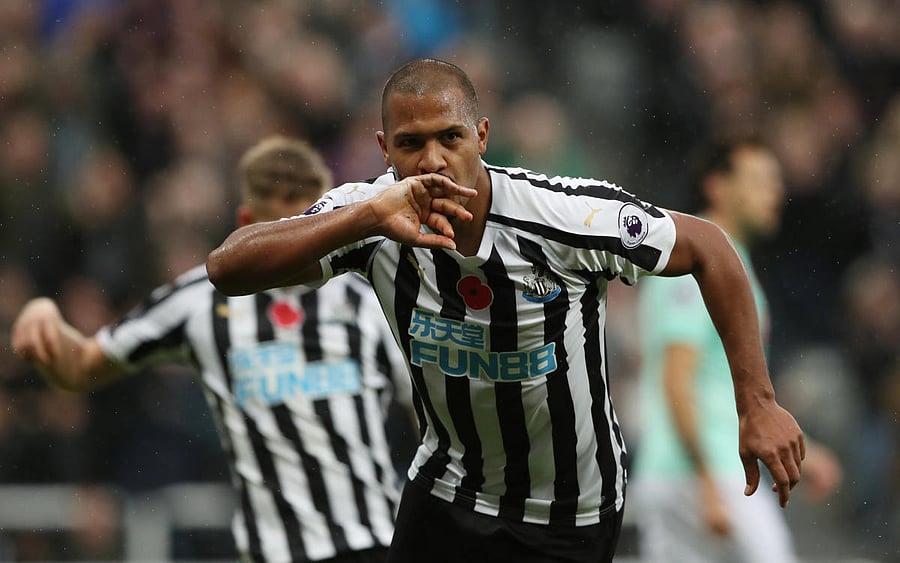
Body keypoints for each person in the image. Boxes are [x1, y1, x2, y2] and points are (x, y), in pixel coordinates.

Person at [205, 59, 806, 563]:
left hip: (570, 506)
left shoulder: (562, 218)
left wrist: (756, 401)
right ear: (384, 148)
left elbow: (710, 248)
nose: (433, 161)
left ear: (483, 137)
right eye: (411, 144)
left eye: (450, 137)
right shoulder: (368, 216)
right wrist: (364, 217)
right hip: (450, 488)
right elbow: (228, 268)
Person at [11, 136, 413, 563]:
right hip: (273, 553)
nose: (299, 246)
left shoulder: (370, 303)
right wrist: (43, 317)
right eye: (282, 229)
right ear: (246, 223)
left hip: (374, 547)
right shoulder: (198, 302)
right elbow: (81, 368)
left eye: (311, 226)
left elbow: (430, 421)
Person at [630, 137, 843, 563]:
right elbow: (676, 379)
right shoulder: (691, 264)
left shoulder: (729, 261)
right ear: (717, 186)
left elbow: (727, 385)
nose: (774, 192)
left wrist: (805, 449)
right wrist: (705, 480)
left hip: (691, 473)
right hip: (698, 475)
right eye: (760, 180)